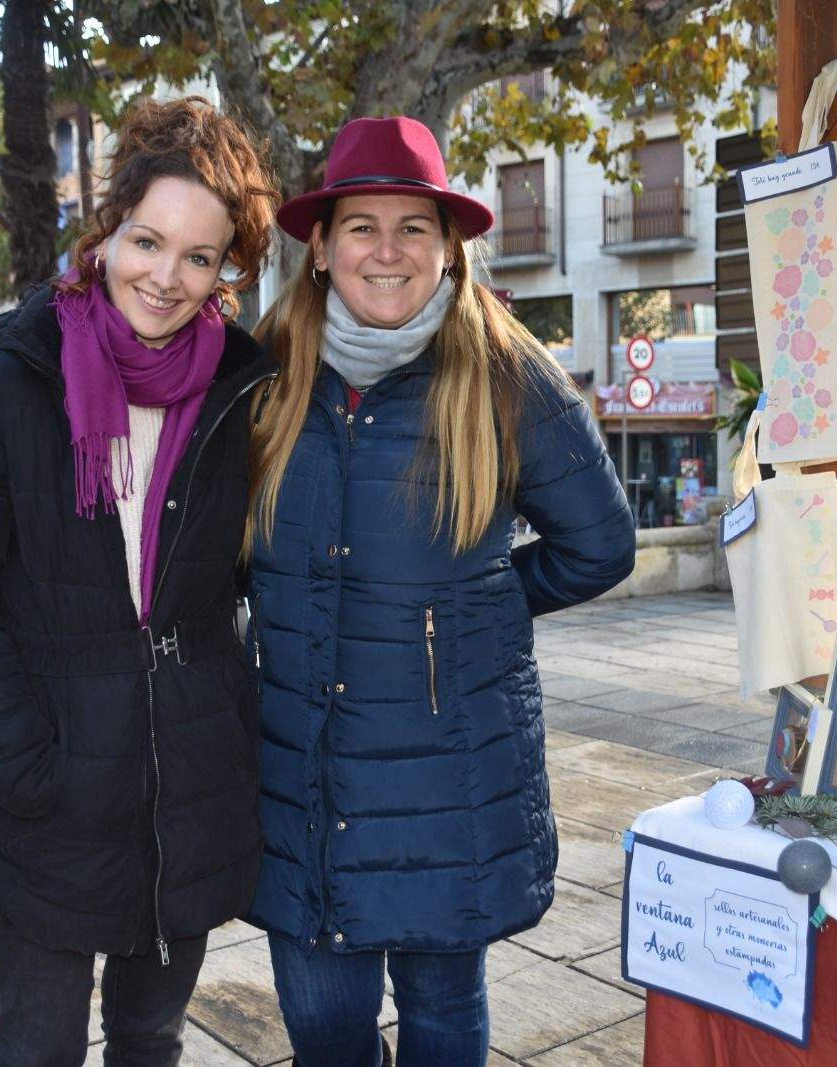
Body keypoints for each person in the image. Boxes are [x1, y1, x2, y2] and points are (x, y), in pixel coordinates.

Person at [243, 116, 636, 1067]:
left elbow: (601, 544)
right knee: (325, 1031)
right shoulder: (262, 372)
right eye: (362, 226)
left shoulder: (506, 374)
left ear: (449, 248)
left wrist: (474, 609)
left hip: (449, 772)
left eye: (413, 226)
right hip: (302, 770)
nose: (388, 250)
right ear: (323, 250)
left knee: (442, 1015)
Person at [0, 96, 278, 1066]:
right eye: (148, 241)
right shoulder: (10, 381)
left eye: (199, 257)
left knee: (149, 1037)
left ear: (223, 268)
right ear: (107, 227)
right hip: (53, 792)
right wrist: (25, 757)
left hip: (186, 787)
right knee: (36, 1044)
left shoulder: (240, 392)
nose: (167, 276)